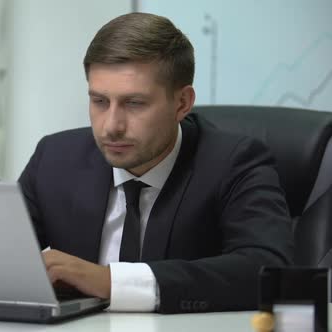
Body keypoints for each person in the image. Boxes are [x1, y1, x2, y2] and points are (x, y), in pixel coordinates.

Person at [18, 12, 293, 314]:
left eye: (134, 103)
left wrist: (110, 282)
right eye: (99, 101)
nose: (111, 126)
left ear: (182, 103)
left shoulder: (234, 162)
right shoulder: (55, 158)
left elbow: (269, 269)